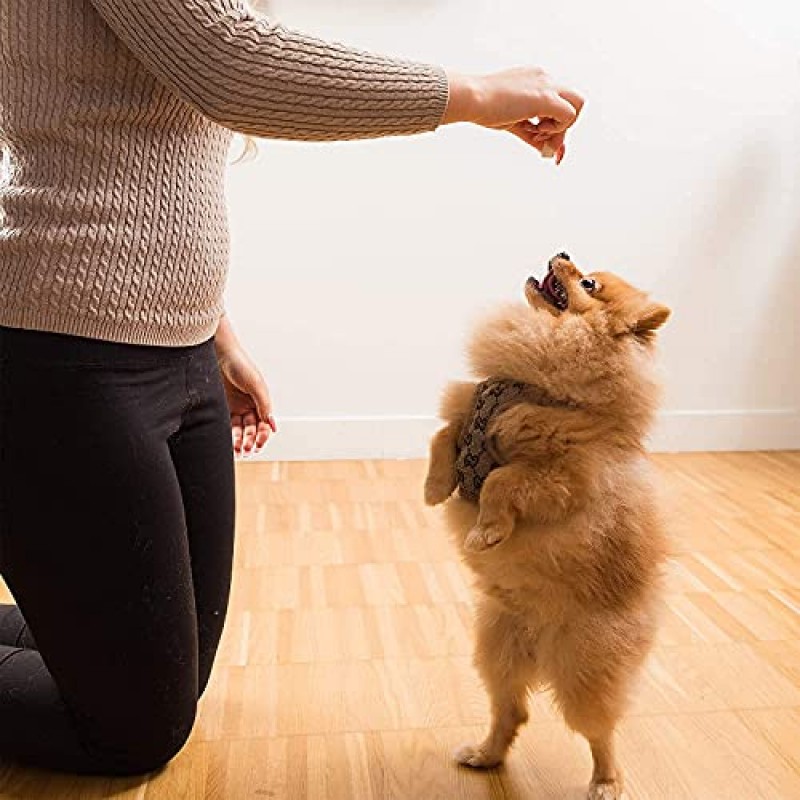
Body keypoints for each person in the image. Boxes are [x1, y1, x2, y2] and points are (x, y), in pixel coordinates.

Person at [0, 0, 583, 777]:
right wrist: (475, 94)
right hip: (63, 360)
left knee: (175, 672)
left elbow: (154, 163)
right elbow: (232, 64)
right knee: (131, 730)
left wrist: (218, 335)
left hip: (178, 351)